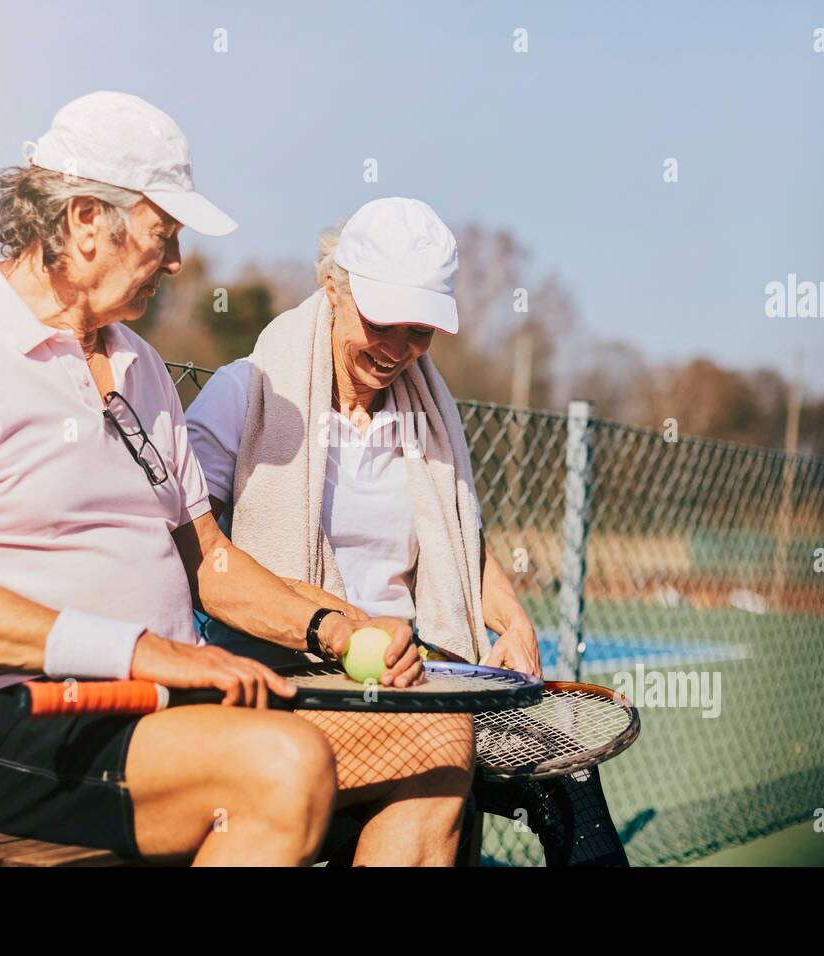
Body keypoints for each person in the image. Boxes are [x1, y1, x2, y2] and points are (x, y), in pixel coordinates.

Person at [0, 94, 472, 866]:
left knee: (437, 744)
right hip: (13, 720)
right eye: (163, 233)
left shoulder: (141, 366)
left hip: (163, 708)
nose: (179, 261)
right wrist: (141, 651)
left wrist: (337, 628)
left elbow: (208, 560)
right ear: (85, 218)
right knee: (280, 767)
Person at [186, 196, 628, 865]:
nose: (398, 350)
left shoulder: (425, 418)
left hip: (413, 676)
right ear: (331, 288)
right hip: (294, 676)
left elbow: (461, 544)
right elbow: (191, 549)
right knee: (441, 748)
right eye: (383, 322)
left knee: (568, 770)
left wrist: (511, 621)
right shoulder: (243, 393)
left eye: (419, 331)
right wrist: (332, 628)